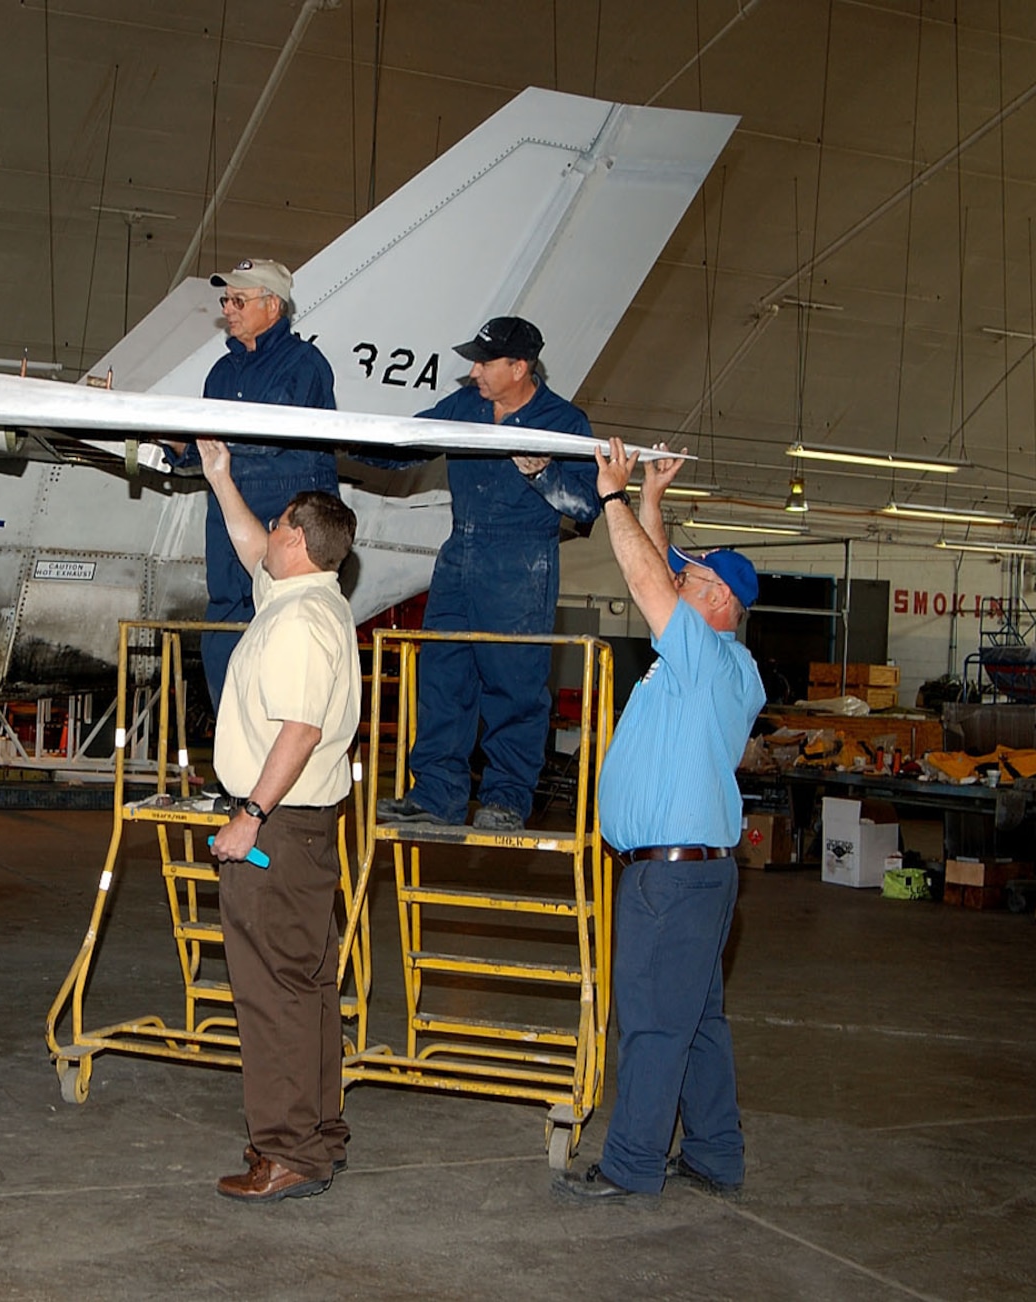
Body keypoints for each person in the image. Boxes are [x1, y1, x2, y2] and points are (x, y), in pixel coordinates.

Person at [555, 438, 764, 1200]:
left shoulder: (704, 656)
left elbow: (648, 579)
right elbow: (659, 567)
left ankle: (632, 1166)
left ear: (717, 602)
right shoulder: (713, 664)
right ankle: (714, 1155)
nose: (679, 575)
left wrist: (610, 497)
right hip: (699, 878)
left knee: (648, 1021)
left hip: (670, 882)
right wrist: (650, 501)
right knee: (698, 1020)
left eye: (695, 576)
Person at [198, 438, 361, 1203]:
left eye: (278, 525)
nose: (267, 530)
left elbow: (298, 730)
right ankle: (316, 1136)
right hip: (304, 828)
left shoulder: (300, 623)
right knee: (308, 988)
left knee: (271, 993)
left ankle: (287, 1152)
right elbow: (246, 546)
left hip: (279, 829)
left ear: (295, 538)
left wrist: (249, 816)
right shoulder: (306, 599)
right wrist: (221, 478)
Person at [374, 316, 600, 832]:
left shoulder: (563, 421)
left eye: (484, 361)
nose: (473, 370)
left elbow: (587, 504)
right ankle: (436, 794)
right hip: (460, 554)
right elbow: (413, 439)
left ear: (519, 367)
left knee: (514, 685)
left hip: (521, 564)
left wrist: (543, 471)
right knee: (443, 677)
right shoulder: (466, 406)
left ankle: (505, 799)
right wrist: (338, 439)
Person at [160, 259, 338, 703]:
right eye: (226, 300)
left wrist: (210, 448)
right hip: (228, 524)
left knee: (283, 638)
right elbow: (212, 453)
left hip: (284, 524)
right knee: (222, 639)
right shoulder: (221, 373)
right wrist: (177, 446)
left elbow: (272, 443)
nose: (228, 310)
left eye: (238, 300)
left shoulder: (305, 366)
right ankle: (235, 764)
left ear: (272, 305)